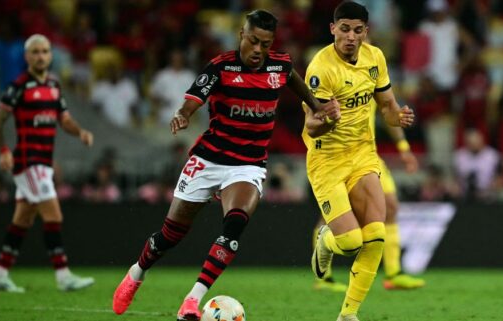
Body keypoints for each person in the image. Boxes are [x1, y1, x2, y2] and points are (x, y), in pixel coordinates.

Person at [112, 10, 339, 321]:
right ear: (241, 36)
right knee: (170, 235)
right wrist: (183, 114)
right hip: (208, 159)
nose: (259, 50)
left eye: (266, 43)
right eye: (254, 41)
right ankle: (136, 273)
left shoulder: (280, 65)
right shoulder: (221, 66)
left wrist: (317, 106)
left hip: (247, 166)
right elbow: (194, 97)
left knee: (234, 226)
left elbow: (297, 84)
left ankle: (192, 300)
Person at [302, 2, 414, 321]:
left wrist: (397, 117)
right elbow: (311, 125)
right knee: (350, 242)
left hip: (363, 154)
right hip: (327, 160)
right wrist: (328, 119)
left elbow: (387, 105)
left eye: (358, 30)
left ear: (366, 31)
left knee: (375, 234)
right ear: (333, 29)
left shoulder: (374, 57)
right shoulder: (320, 68)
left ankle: (348, 315)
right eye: (345, 29)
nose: (351, 36)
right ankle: (325, 242)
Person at [0, 34, 95, 293]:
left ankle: (1, 273)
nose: (40, 56)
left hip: (44, 162)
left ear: (50, 55)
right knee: (53, 215)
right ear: (27, 57)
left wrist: (80, 131)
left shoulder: (54, 86)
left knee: (23, 219)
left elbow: (64, 119)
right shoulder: (19, 86)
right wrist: (3, 150)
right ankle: (63, 276)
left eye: (45, 51)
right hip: (28, 160)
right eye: (35, 52)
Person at [312, 108, 425, 292]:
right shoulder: (332, 81)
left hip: (368, 155)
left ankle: (393, 274)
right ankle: (324, 277)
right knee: (330, 217)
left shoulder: (373, 80)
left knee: (391, 207)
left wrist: (403, 148)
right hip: (336, 156)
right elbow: (314, 117)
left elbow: (389, 109)